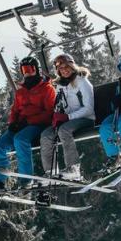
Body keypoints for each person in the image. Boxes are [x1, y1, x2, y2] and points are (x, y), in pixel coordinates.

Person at [0, 56, 56, 190]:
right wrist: (12, 123)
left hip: (38, 125)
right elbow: (15, 110)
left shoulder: (47, 89)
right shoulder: (21, 92)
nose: (27, 73)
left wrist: (29, 121)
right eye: (24, 70)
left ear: (36, 70)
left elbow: (49, 113)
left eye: (30, 69)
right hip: (20, 126)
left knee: (20, 140)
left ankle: (26, 180)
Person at [39, 53, 95, 181]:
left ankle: (73, 168)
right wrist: (57, 117)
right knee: (46, 135)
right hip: (67, 120)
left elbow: (89, 109)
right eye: (60, 69)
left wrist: (68, 117)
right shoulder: (60, 84)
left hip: (86, 119)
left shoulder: (82, 81)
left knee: (64, 130)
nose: (64, 70)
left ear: (72, 65)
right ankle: (51, 172)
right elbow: (60, 104)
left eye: (66, 67)